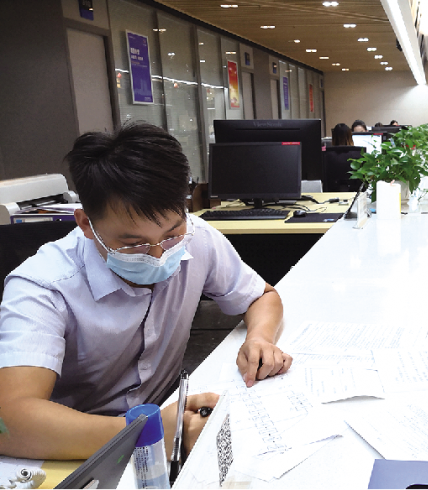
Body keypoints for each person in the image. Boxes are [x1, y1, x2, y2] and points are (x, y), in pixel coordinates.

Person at [0, 123, 292, 460]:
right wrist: (147, 433)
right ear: (86, 224)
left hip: (167, 419)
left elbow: (262, 296)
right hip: (74, 450)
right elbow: (9, 420)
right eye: (133, 244)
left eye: (171, 235)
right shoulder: (43, 286)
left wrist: (260, 338)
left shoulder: (197, 237)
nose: (158, 254)